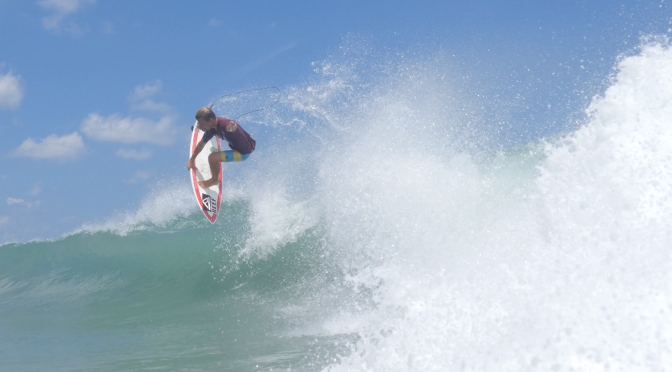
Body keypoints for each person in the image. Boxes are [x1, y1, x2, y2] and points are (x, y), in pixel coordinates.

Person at [186, 107, 256, 188]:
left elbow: (228, 128)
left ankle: (214, 180)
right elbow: (201, 144)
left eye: (202, 124)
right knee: (208, 135)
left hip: (243, 153)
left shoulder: (224, 125)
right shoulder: (212, 128)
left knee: (212, 157)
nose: (201, 126)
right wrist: (192, 160)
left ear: (211, 120)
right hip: (237, 147)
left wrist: (231, 129)